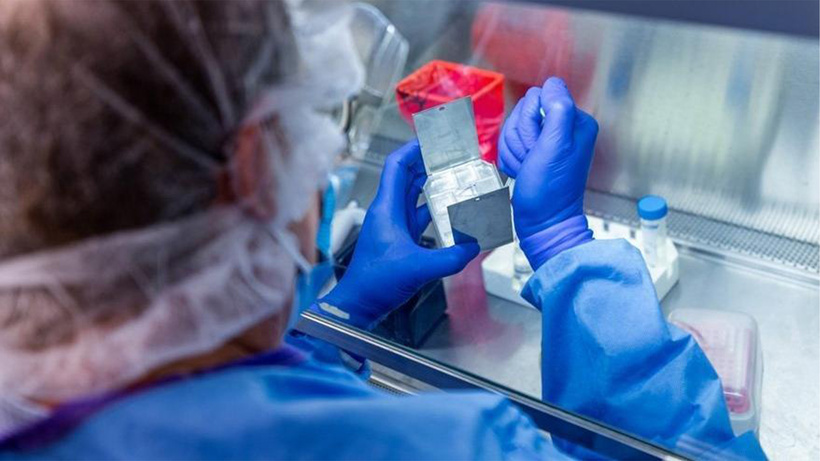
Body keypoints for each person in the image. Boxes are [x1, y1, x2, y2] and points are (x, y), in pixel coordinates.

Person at [0, 1, 765, 460]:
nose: (328, 150)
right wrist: (568, 248)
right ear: (250, 166)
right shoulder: (457, 446)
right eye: (317, 117)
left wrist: (335, 321)